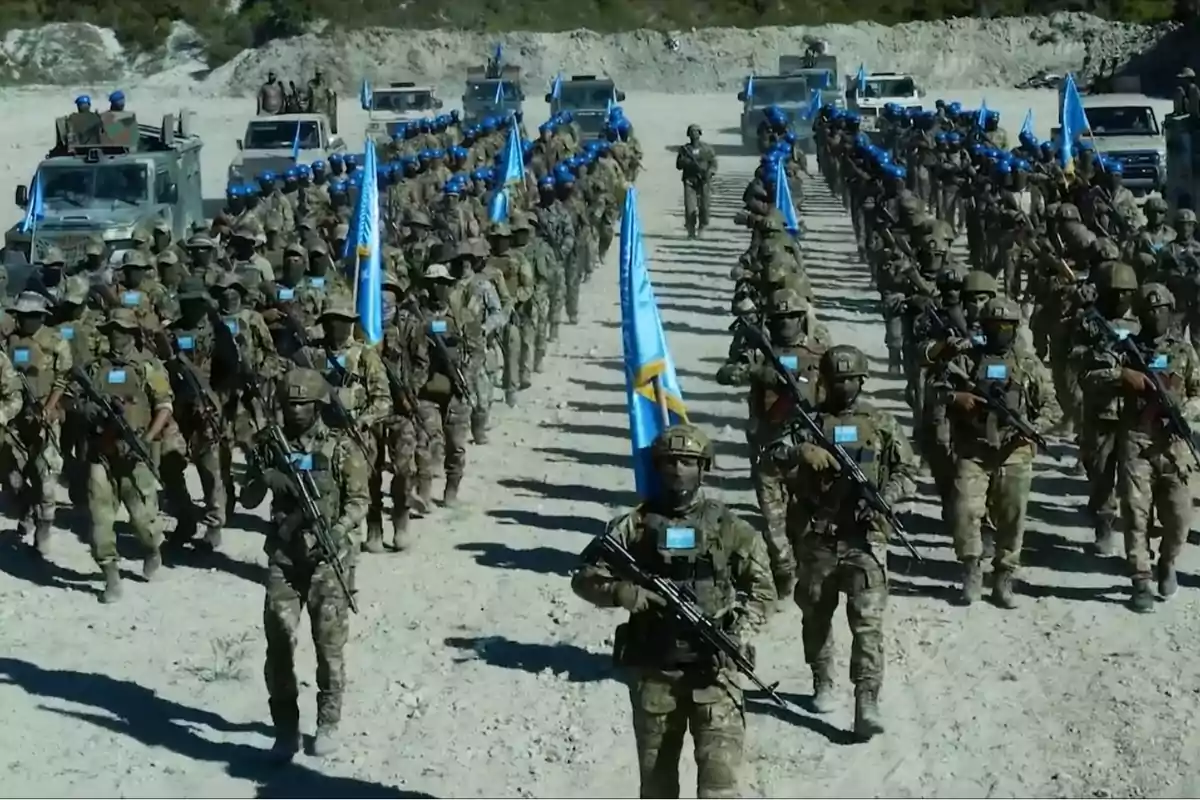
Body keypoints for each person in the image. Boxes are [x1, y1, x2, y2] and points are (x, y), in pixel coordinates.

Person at [571, 423, 773, 799]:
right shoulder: (633, 526)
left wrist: (737, 633)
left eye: (687, 461)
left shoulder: (730, 528)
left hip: (714, 674)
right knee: (657, 786)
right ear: (657, 468)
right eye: (669, 462)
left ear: (703, 468)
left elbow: (762, 591)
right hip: (654, 671)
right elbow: (584, 578)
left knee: (720, 786)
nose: (678, 470)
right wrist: (619, 592)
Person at [770, 345, 917, 739]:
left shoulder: (881, 422)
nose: (846, 386)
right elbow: (771, 457)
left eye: (852, 379)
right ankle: (822, 679)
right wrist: (801, 450)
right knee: (816, 615)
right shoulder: (805, 420)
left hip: (864, 539)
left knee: (868, 623)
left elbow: (908, 470)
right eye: (838, 380)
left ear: (862, 381)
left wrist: (884, 498)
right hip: (816, 538)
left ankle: (866, 699)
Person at [249, 367, 368, 759]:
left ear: (318, 405)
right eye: (289, 403)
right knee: (279, 646)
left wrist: (336, 532)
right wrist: (265, 476)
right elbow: (248, 499)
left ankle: (328, 723)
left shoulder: (341, 448)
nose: (295, 410)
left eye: (303, 404)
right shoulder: (270, 444)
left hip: (326, 563)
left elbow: (358, 501)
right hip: (284, 560)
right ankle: (285, 730)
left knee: (328, 648)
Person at [676, 124, 717, 239]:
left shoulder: (707, 149)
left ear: (700, 133)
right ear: (688, 135)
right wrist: (688, 163)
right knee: (690, 208)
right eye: (692, 132)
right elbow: (678, 165)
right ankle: (691, 229)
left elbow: (713, 164)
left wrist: (709, 173)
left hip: (703, 181)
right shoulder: (685, 150)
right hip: (689, 181)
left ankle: (702, 227)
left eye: (696, 132)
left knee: (704, 207)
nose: (694, 134)